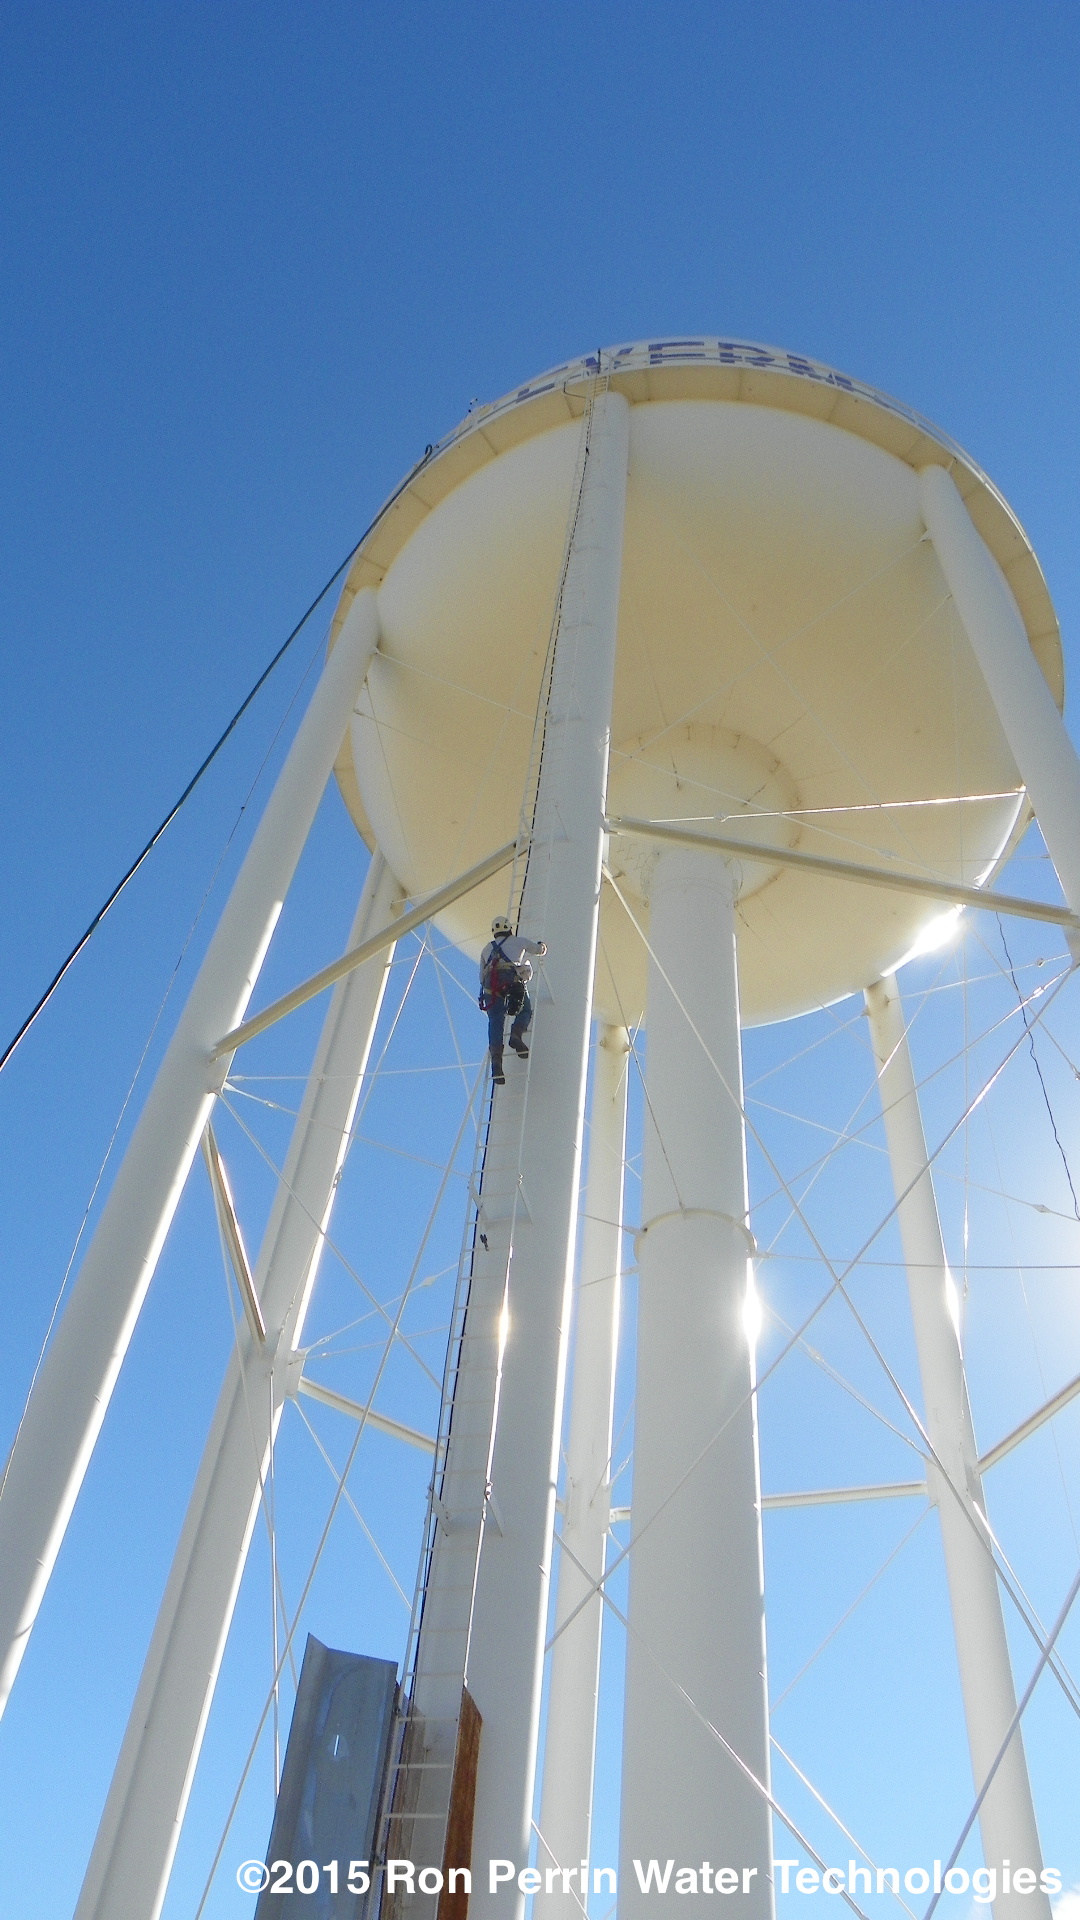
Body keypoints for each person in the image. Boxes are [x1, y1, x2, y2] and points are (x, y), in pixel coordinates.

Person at [479, 915, 547, 1085]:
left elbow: (481, 977)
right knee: (525, 1009)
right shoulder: (519, 941)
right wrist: (542, 946)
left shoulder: (486, 949)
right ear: (509, 928)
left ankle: (496, 1060)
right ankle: (516, 1035)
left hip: (490, 985)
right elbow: (538, 950)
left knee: (495, 1020)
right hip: (510, 979)